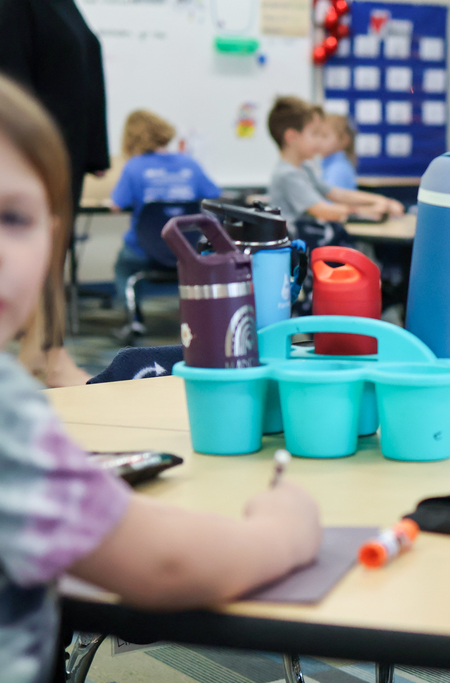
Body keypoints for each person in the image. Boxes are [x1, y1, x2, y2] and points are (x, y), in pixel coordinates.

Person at [0, 74, 322, 683]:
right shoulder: (10, 423)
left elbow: (120, 205)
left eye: (14, 218)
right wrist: (286, 532)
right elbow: (167, 563)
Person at [0, 0, 110, 387]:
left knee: (51, 253)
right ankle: (47, 354)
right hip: (27, 157)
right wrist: (20, 152)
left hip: (67, 152)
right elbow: (8, 79)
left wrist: (97, 149)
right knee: (29, 255)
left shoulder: (65, 6)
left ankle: (42, 355)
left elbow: (88, 68)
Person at [109, 110, 222, 309]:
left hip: (144, 250)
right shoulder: (189, 163)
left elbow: (117, 205)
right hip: (187, 247)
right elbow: (213, 193)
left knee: (123, 265)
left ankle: (132, 317)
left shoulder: (134, 167)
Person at [267, 96, 402, 245]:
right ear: (291, 137)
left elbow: (336, 193)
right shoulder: (288, 174)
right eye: (315, 134)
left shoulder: (304, 169)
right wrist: (364, 211)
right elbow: (324, 210)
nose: (319, 141)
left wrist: (382, 201)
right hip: (294, 251)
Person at [319, 113, 359, 191]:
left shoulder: (338, 169)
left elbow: (330, 201)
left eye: (324, 136)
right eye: (316, 135)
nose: (318, 140)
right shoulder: (327, 164)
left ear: (344, 139)